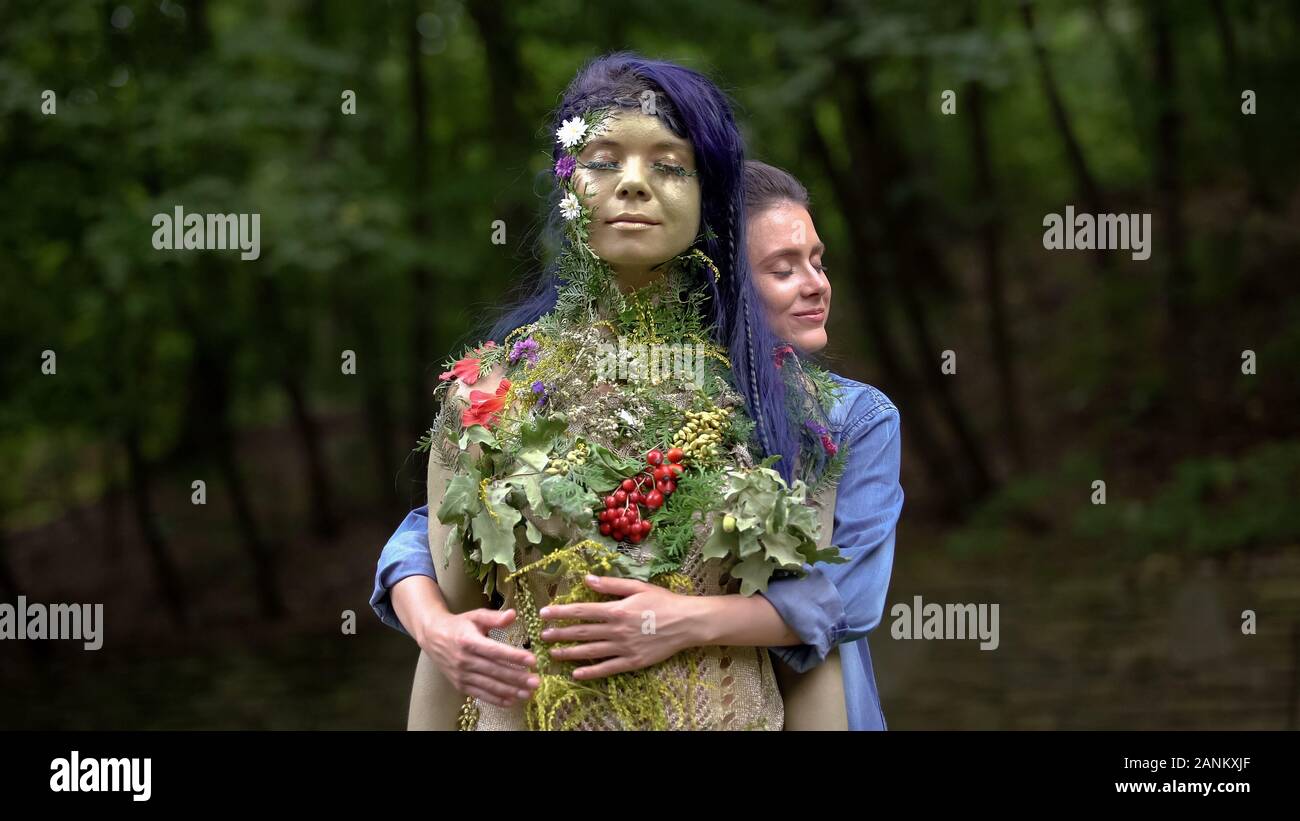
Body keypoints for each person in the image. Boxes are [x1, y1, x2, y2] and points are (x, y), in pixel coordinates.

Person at [374, 54, 900, 730]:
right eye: (601, 158)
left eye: (669, 164)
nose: (632, 185)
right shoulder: (492, 392)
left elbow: (828, 616)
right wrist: (431, 623)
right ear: (567, 182)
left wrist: (680, 621)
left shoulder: (801, 407)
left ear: (708, 195)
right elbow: (441, 562)